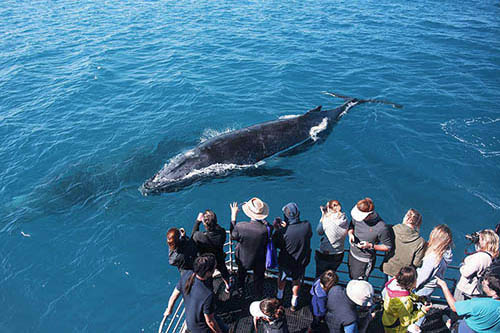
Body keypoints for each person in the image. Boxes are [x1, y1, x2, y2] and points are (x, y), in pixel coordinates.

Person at [165, 254, 227, 333]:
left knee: (222, 325)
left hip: (191, 324)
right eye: (214, 267)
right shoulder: (207, 295)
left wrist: (169, 310)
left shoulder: (187, 275)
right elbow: (210, 322)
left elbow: (174, 296)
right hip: (201, 329)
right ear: (208, 272)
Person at [273, 202, 312, 311]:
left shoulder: (282, 232)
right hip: (300, 261)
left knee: (282, 278)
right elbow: (308, 234)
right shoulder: (307, 225)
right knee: (296, 280)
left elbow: (276, 244)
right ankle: (294, 303)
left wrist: (278, 229)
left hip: (285, 262)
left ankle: (279, 297)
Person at [230, 197, 270, 297]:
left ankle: (240, 291)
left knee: (241, 276)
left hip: (243, 259)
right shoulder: (265, 229)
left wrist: (233, 216)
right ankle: (258, 295)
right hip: (259, 260)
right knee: (259, 279)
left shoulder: (240, 226)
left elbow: (232, 236)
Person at [347, 197, 392, 280]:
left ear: (369, 215)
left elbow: (388, 246)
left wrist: (370, 245)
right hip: (352, 254)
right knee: (351, 276)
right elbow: (351, 225)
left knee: (359, 282)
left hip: (364, 260)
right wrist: (350, 233)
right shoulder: (357, 217)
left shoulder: (381, 227)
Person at [382, 266, 431, 333]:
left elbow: (406, 293)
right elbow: (405, 322)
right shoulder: (405, 301)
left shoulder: (393, 285)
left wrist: (418, 298)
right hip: (397, 327)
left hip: (388, 320)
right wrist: (423, 311)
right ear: (410, 283)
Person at [192, 210, 231, 292]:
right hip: (219, 257)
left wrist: (197, 222)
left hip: (207, 260)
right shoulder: (222, 232)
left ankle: (211, 292)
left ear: (205, 224)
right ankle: (228, 286)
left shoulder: (200, 236)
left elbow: (193, 236)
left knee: (208, 276)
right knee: (224, 271)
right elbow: (219, 230)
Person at [454, 229, 499, 300]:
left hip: (466, 290)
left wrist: (462, 266)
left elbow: (466, 272)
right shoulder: (490, 257)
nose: (478, 241)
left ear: (486, 242)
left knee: (458, 309)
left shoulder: (480, 257)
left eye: (480, 239)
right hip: (475, 291)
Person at [381, 209, 425, 279]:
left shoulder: (392, 229)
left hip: (388, 267)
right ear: (418, 223)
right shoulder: (420, 241)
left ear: (407, 218)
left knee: (386, 285)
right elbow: (417, 263)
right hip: (403, 273)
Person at [415, 224, 453, 297]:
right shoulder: (443, 255)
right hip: (430, 286)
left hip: (422, 288)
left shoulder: (433, 257)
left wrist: (412, 287)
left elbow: (423, 276)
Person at [315, 200, 348, 277]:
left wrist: (323, 215)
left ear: (329, 209)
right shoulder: (345, 218)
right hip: (339, 253)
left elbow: (319, 232)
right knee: (331, 276)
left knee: (320, 276)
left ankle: (318, 288)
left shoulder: (326, 221)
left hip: (325, 254)